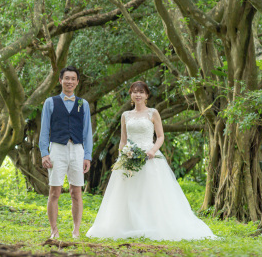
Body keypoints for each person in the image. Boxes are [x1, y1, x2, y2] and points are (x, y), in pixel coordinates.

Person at [86, 81, 216, 241]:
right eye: (134, 92)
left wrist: (153, 151)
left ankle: (152, 223)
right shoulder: (125, 115)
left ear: (147, 95)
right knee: (129, 192)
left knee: (152, 192)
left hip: (150, 156)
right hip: (129, 157)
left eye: (141, 92)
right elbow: (123, 139)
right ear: (131, 95)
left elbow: (160, 136)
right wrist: (122, 156)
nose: (138, 94)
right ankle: (129, 224)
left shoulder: (153, 113)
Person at [38, 66, 92, 239]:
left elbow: (87, 132)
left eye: (73, 79)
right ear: (60, 80)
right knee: (54, 192)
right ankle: (54, 230)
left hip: (77, 149)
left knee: (76, 192)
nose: (69, 81)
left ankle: (76, 230)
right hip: (57, 149)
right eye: (66, 78)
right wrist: (44, 153)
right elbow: (44, 129)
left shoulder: (83, 104)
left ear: (77, 82)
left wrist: (87, 156)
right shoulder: (50, 102)